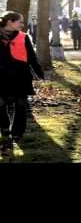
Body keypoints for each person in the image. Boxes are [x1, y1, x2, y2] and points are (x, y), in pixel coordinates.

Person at [0, 11, 44, 154]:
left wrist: (39, 74)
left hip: (21, 77)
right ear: (10, 22)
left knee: (20, 106)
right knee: (1, 105)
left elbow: (32, 58)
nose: (22, 24)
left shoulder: (24, 37)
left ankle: (16, 134)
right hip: (1, 77)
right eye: (19, 21)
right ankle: (5, 129)